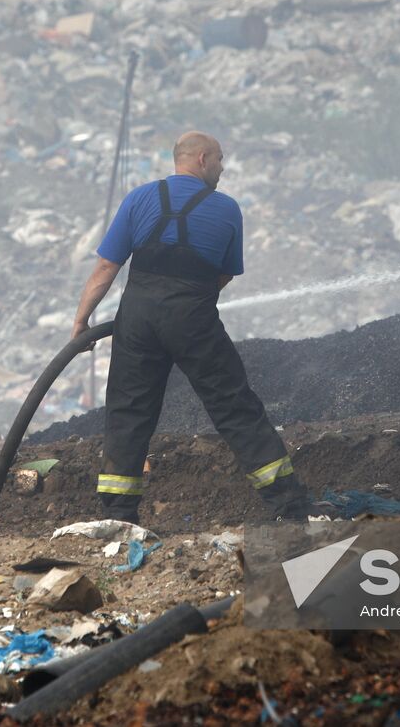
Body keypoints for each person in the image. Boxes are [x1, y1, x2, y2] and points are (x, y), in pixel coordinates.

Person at [71, 131, 311, 523]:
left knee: (128, 411)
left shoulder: (139, 199)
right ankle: (289, 505)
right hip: (193, 316)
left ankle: (118, 515)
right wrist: (190, 306)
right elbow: (225, 275)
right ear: (201, 159)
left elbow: (105, 268)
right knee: (234, 405)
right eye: (219, 159)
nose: (222, 167)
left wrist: (82, 321)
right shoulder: (227, 209)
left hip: (137, 318)